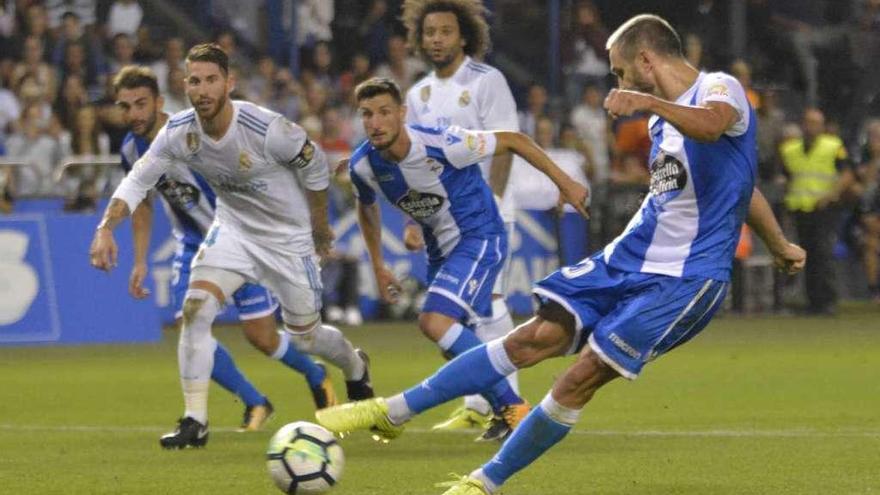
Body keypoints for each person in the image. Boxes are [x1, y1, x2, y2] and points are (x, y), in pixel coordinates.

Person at [315, 15, 806, 495]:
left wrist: (642, 98)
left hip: (686, 278)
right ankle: (391, 411)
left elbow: (714, 125)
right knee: (531, 338)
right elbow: (740, 187)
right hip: (628, 257)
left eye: (618, 71)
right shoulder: (661, 122)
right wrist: (780, 244)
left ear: (645, 59)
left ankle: (483, 483)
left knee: (580, 376)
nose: (617, 80)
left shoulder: (719, 89)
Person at [89, 45, 373, 449]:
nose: (201, 90)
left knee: (305, 336)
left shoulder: (265, 128)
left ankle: (354, 365)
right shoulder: (178, 133)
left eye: (210, 80)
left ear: (229, 83)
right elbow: (137, 182)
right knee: (195, 310)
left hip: (285, 238)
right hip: (232, 231)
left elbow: (313, 165)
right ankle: (195, 421)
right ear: (183, 84)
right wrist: (104, 228)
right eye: (194, 81)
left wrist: (320, 227)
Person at [338, 77, 587, 445]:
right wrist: (378, 263)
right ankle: (508, 410)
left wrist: (565, 182)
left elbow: (514, 140)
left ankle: (513, 407)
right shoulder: (363, 164)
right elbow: (367, 207)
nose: (375, 123)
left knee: (434, 321)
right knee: (451, 341)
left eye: (385, 112)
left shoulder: (443, 143)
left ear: (402, 114)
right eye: (367, 115)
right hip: (440, 250)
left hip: (481, 236)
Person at [401, 0, 523, 440]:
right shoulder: (417, 95)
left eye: (445, 31)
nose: (436, 39)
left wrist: (487, 205)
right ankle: (478, 405)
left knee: (487, 303)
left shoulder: (488, 82)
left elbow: (507, 145)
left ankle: (511, 409)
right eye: (429, 32)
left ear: (464, 36)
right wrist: (416, 220)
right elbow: (414, 164)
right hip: (443, 223)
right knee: (461, 315)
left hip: (485, 217)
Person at [780, 108, 855, 315]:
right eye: (808, 122)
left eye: (815, 123)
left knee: (823, 253)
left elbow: (847, 174)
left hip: (824, 208)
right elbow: (787, 175)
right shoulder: (790, 148)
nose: (811, 127)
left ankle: (827, 300)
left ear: (822, 126)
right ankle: (812, 301)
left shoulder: (833, 146)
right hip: (800, 207)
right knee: (806, 255)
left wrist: (831, 195)